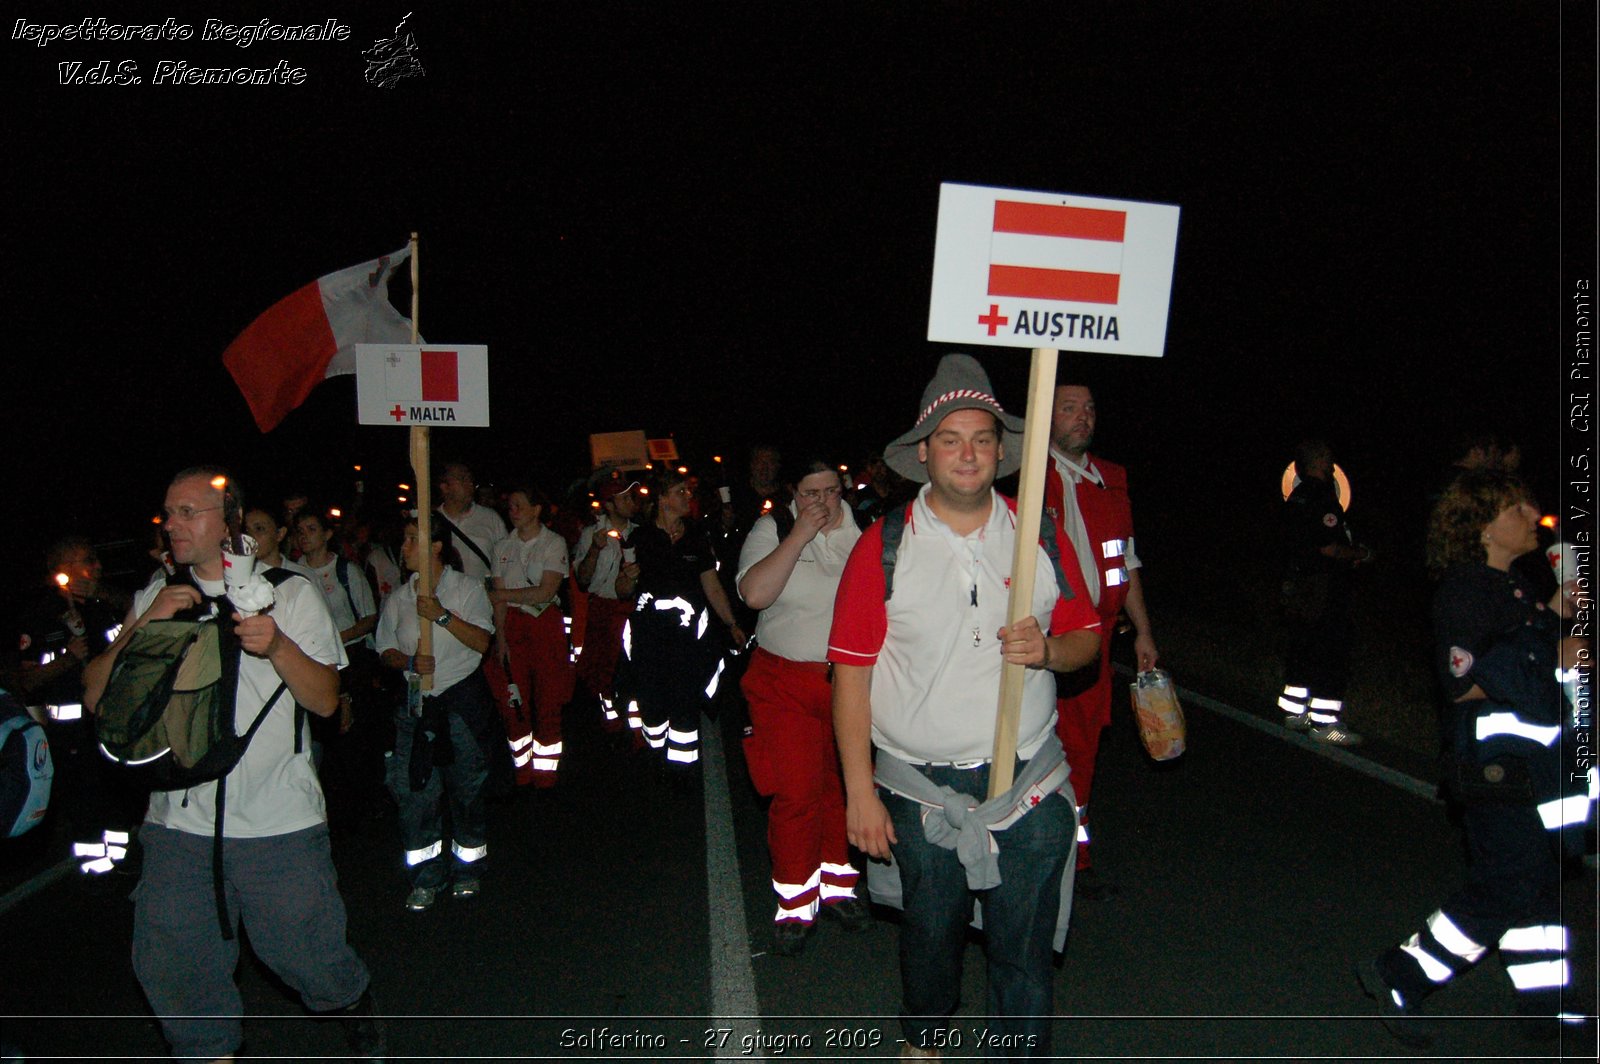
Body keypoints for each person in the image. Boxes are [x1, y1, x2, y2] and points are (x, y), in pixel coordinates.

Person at [828, 354, 1102, 1059]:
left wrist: (1048, 651)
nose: (968, 453)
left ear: (1001, 450)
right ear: (924, 453)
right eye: (950, 439)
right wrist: (859, 791)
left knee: (1023, 955)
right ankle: (925, 1038)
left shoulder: (1038, 533)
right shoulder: (882, 546)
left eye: (982, 437)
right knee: (931, 937)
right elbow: (851, 677)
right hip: (923, 789)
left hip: (1029, 783)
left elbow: (1087, 641)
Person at [82, 467, 381, 1062]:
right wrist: (146, 622)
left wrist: (276, 645)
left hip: (276, 822)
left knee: (308, 957)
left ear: (231, 522)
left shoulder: (290, 593)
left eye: (189, 511)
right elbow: (96, 695)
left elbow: (325, 699)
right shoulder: (155, 595)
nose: (173, 525)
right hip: (176, 824)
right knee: (173, 969)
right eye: (169, 513)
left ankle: (350, 1001)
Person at [1357, 470, 1591, 1046]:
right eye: (1515, 507)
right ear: (1483, 527)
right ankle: (1401, 973)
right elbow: (1466, 682)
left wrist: (1559, 616)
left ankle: (1548, 1011)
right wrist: (1550, 651)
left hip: (1535, 768)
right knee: (1508, 885)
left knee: (1539, 889)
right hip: (1496, 766)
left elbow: (1528, 650)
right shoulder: (1466, 591)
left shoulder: (1511, 587)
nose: (1531, 513)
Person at [737, 455, 867, 956]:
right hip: (783, 682)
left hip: (848, 684)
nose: (822, 503)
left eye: (830, 491)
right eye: (810, 493)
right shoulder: (775, 527)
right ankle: (794, 902)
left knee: (842, 786)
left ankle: (838, 887)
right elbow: (753, 594)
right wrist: (799, 537)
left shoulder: (864, 533)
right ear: (795, 494)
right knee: (796, 791)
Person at [1044, 381, 1158, 897]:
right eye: (1068, 408)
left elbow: (1126, 560)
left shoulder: (1110, 479)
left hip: (1099, 640)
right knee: (1032, 748)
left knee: (1083, 750)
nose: (1081, 417)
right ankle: (1028, 852)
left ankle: (1074, 854)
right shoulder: (1024, 476)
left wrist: (1143, 633)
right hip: (1039, 642)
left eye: (1089, 408)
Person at [376, 517, 496, 911]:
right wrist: (408, 659)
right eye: (405, 538)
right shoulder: (397, 598)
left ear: (437, 546)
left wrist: (442, 615)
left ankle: (468, 870)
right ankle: (426, 876)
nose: (404, 546)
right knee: (416, 794)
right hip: (417, 705)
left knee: (467, 789)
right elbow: (385, 650)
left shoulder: (466, 589)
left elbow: (481, 641)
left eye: (413, 538)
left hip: (460, 702)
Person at [11, 536, 139, 871]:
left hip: (113, 724)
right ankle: (94, 869)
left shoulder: (104, 604)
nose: (97, 567)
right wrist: (68, 660)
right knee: (85, 801)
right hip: (71, 736)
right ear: (62, 569)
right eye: (87, 560)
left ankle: (122, 860)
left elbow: (141, 611)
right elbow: (27, 680)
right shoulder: (39, 615)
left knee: (119, 797)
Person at [617, 469, 746, 776]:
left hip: (688, 640)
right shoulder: (640, 538)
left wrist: (731, 623)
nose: (687, 497)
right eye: (680, 492)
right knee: (653, 702)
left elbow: (711, 585)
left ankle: (683, 771)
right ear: (663, 499)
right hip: (650, 639)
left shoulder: (698, 536)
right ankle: (655, 753)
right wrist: (626, 578)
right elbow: (622, 591)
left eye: (688, 492)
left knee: (686, 701)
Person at [288, 510, 384, 819]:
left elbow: (369, 617)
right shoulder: (293, 572)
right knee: (318, 732)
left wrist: (337, 636)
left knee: (352, 733)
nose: (305, 536)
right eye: (300, 530)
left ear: (328, 534)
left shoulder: (346, 571)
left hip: (350, 659)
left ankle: (361, 801)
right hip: (310, 658)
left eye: (312, 528)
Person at [1277, 438, 1373, 745]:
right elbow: (1330, 546)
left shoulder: (1296, 497)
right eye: (1328, 460)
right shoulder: (1323, 498)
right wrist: (1360, 554)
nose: (1332, 466)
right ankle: (1325, 722)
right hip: (1324, 587)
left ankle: (1294, 712)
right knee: (1332, 649)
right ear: (1317, 462)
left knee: (1302, 644)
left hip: (1298, 585)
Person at [484, 484, 575, 789]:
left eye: (520, 505)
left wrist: (504, 595)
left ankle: (546, 772)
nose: (514, 511)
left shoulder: (554, 542)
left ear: (537, 510)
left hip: (544, 623)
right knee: (513, 698)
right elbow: (498, 602)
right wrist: (500, 639)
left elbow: (546, 591)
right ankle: (521, 768)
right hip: (512, 624)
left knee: (549, 695)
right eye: (510, 506)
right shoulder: (501, 547)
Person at [572, 478, 643, 735]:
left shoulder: (639, 533)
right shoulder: (592, 533)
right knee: (603, 668)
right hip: (603, 609)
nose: (631, 502)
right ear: (610, 505)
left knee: (632, 667)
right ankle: (610, 715)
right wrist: (594, 548)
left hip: (631, 610)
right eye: (624, 498)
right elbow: (583, 579)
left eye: (630, 496)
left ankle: (637, 726)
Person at [435, 461, 508, 586]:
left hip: (483, 599)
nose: (470, 483)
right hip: (442, 600)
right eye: (462, 479)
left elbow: (507, 561)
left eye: (470, 479)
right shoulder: (432, 521)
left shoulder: (490, 518)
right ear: (445, 487)